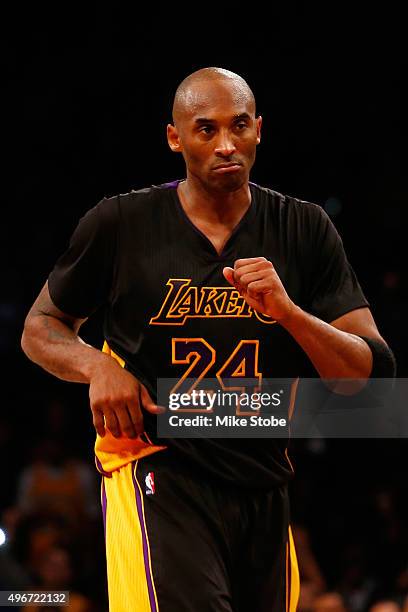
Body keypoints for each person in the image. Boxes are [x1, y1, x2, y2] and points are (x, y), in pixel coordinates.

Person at [21, 67, 395, 612]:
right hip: (158, 460)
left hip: (264, 473)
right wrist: (98, 368)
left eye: (239, 126)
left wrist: (289, 313)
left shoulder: (305, 228)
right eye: (205, 129)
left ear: (259, 129)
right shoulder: (122, 223)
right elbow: (40, 328)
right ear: (175, 138)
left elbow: (370, 379)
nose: (226, 144)